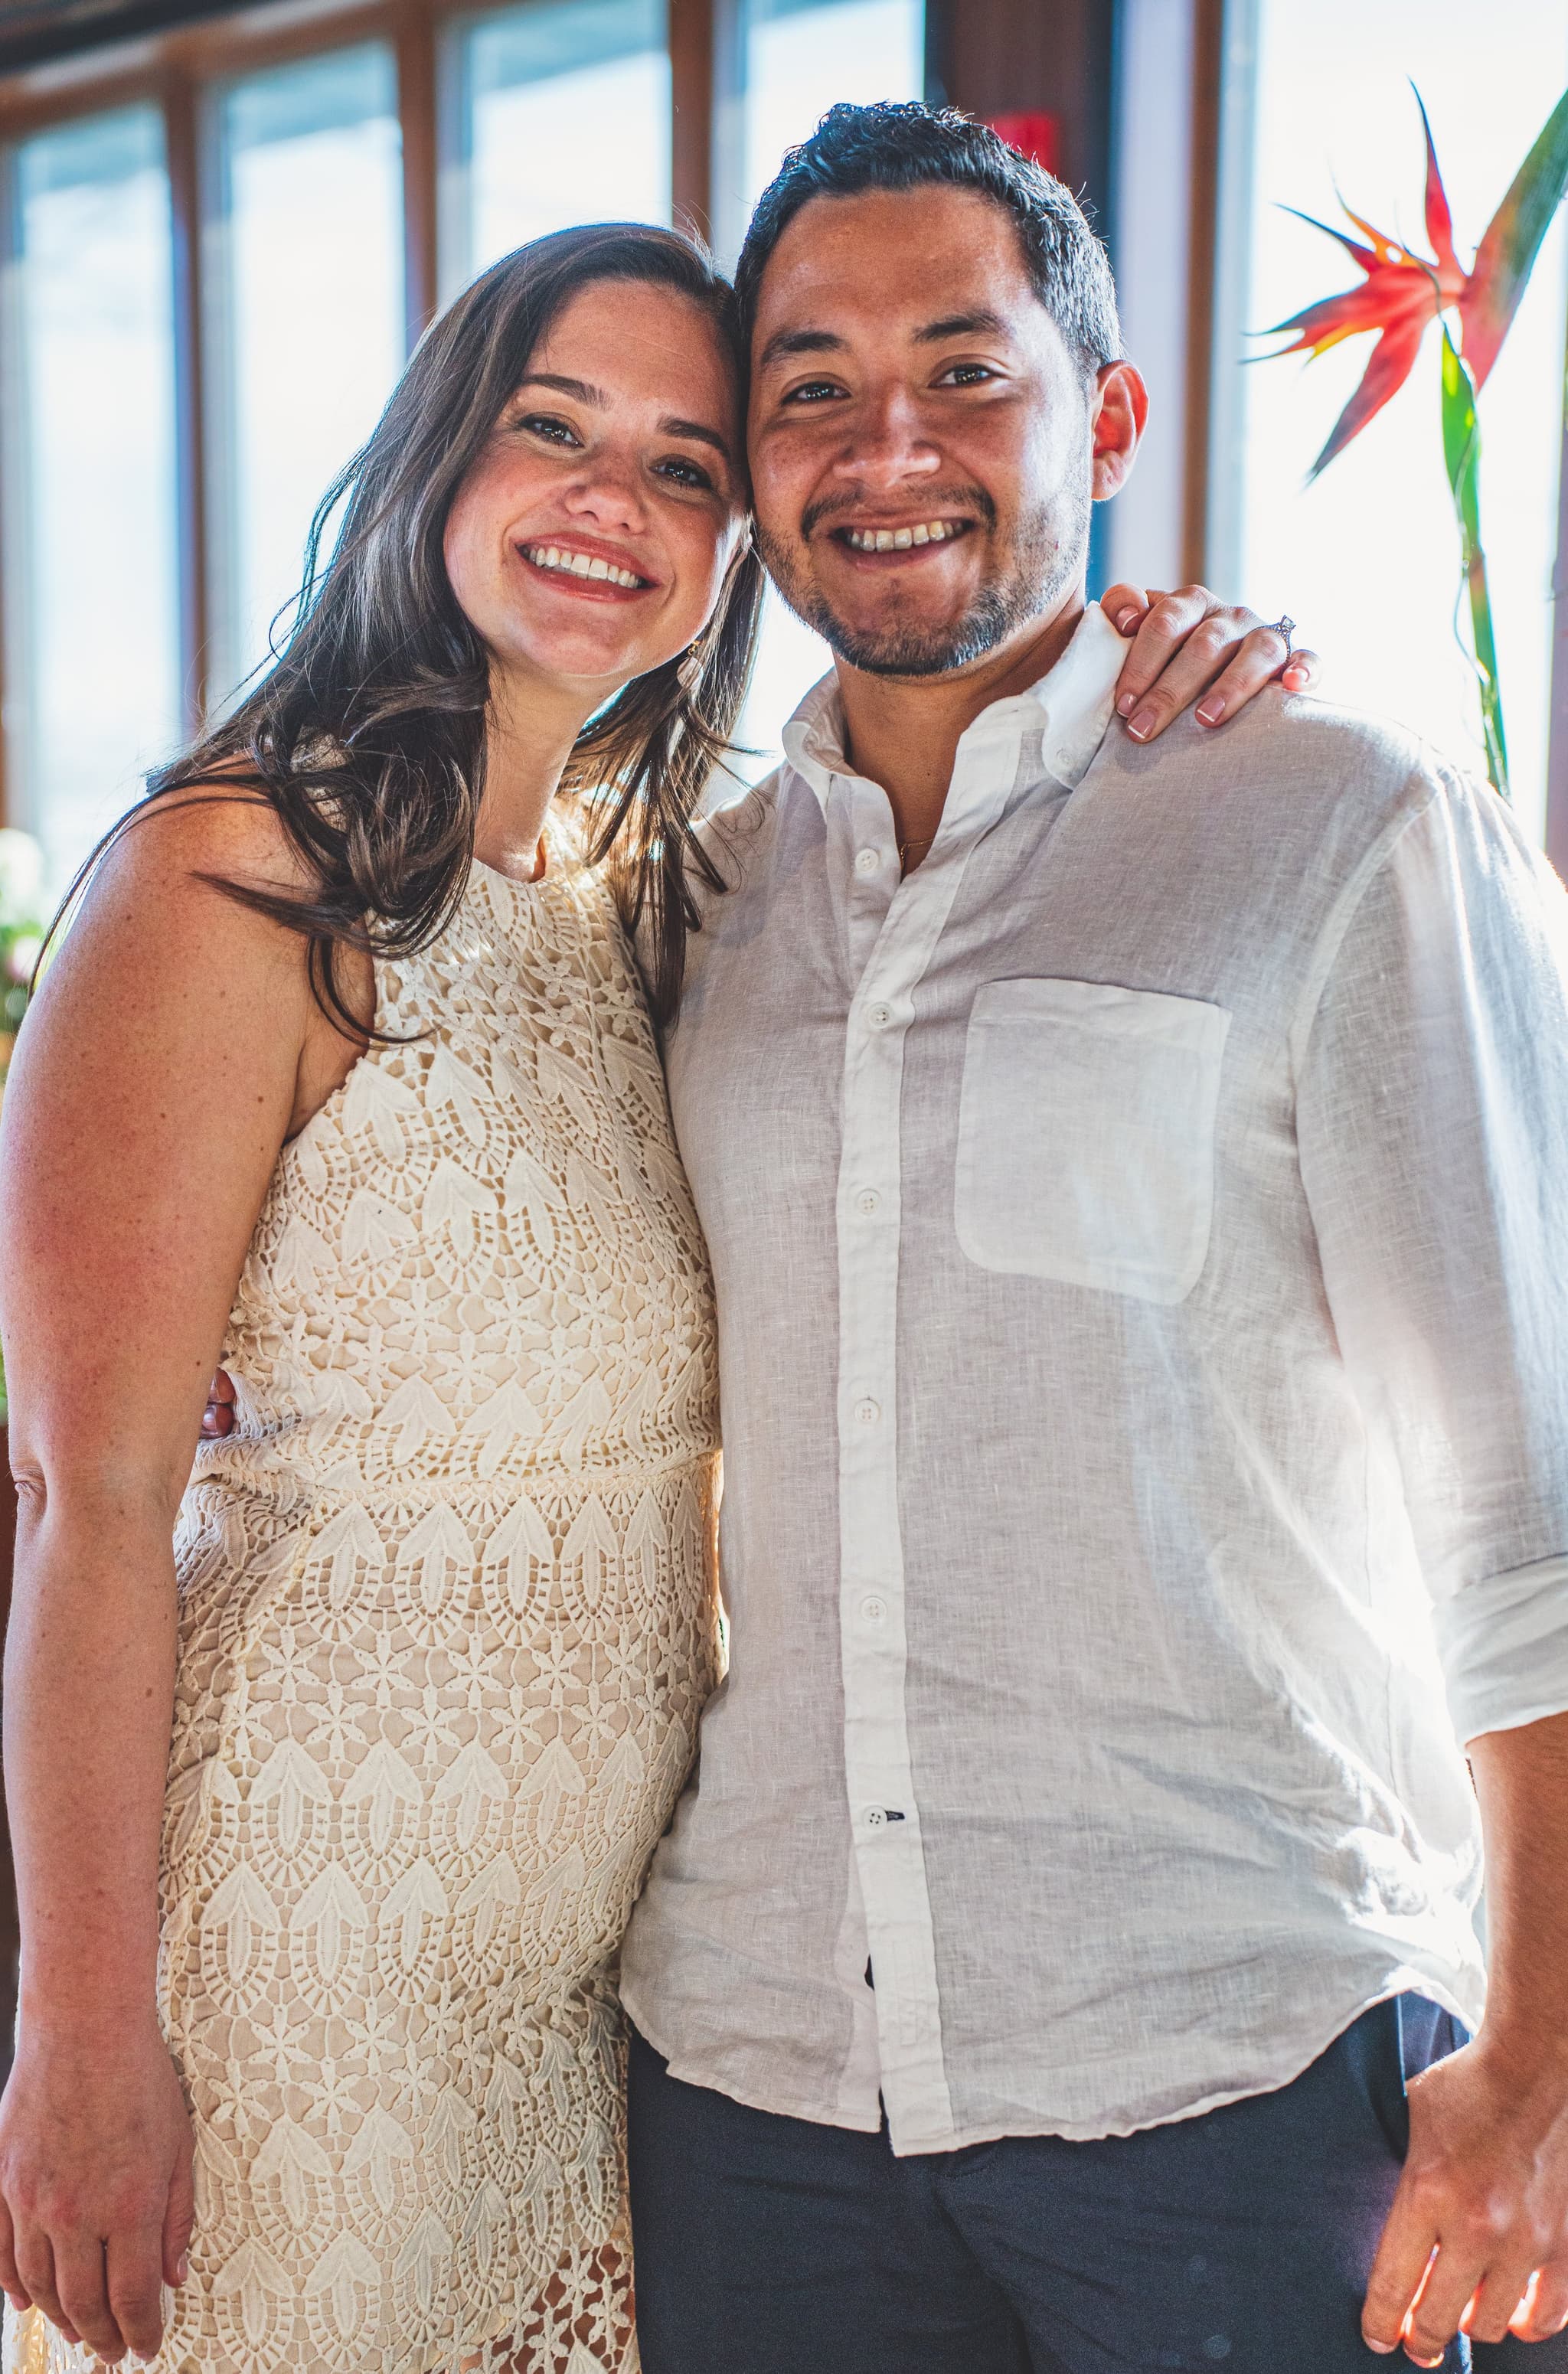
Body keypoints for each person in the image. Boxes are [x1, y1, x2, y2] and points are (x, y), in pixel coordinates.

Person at [0, 201, 1295, 2374]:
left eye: (687, 464)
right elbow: (90, 1496)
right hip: (299, 1957)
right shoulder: (226, 877)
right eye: (553, 428)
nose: (615, 502)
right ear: (437, 462)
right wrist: (81, 2027)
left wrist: (1158, 642)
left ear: (738, 548)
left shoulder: (659, 903)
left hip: (609, 1991)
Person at [616, 105, 1568, 2374]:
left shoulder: (1336, 821)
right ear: (751, 469)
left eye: (967, 368)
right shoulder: (695, 902)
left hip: (1235, 2065)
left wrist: (1541, 2054)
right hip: (754, 2086)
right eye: (810, 390)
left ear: (1111, 415)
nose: (888, 445)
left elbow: (1526, 1492)